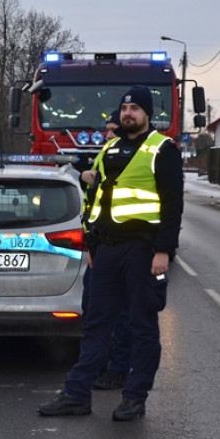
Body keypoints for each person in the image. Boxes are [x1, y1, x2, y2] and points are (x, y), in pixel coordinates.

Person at [38, 85, 183, 421]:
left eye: (134, 108)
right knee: (96, 325)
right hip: (107, 251)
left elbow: (173, 206)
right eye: (124, 108)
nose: (128, 113)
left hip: (143, 251)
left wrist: (164, 250)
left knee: (142, 325)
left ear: (147, 114)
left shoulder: (163, 150)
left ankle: (134, 397)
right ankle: (77, 395)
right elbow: (96, 200)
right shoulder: (110, 149)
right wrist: (91, 243)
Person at [79, 110, 132, 391]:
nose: (106, 134)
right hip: (97, 247)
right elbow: (92, 205)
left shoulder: (129, 158)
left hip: (121, 248)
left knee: (123, 315)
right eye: (107, 129)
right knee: (93, 312)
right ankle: (97, 366)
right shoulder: (105, 154)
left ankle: (119, 369)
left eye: (112, 130)